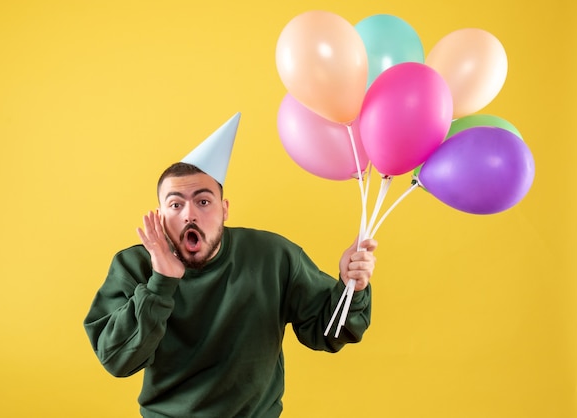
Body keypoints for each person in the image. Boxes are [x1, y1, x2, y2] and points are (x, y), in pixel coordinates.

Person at [83, 113, 378, 418]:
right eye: (175, 204)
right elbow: (117, 359)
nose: (189, 215)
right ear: (160, 215)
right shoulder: (133, 265)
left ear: (224, 210)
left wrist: (350, 286)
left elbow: (328, 333)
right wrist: (160, 283)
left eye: (203, 201)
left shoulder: (274, 256)